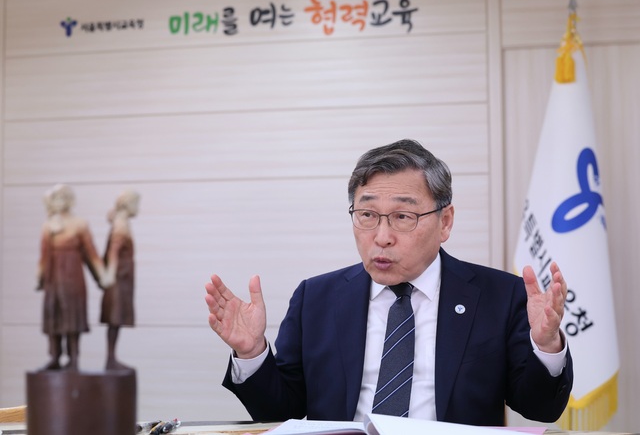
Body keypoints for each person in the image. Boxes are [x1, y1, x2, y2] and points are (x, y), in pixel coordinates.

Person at [204, 139, 573, 425]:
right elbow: (280, 411)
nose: (381, 237)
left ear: (445, 222)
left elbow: (540, 408)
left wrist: (547, 347)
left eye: (402, 216)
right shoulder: (315, 298)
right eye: (367, 215)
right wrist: (252, 353)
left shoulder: (499, 296)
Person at [37, 184, 107, 370]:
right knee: (53, 312)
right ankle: (55, 356)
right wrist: (39, 277)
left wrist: (101, 276)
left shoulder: (79, 224)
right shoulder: (48, 226)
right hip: (53, 276)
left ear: (69, 200)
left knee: (73, 314)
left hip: (73, 275)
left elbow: (91, 253)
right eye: (55, 198)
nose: (58, 202)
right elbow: (43, 256)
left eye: (62, 197)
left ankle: (74, 358)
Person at [100, 189, 140, 370]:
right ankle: (110, 359)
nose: (137, 208)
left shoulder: (122, 223)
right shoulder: (121, 225)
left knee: (116, 320)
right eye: (136, 203)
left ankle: (111, 358)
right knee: (114, 319)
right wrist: (110, 274)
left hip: (122, 279)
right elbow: (114, 251)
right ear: (127, 204)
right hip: (118, 280)